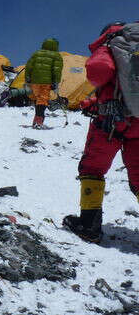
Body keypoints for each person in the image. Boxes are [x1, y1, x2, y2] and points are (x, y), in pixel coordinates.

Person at [63, 22, 139, 243]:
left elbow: (99, 72)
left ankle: (89, 226)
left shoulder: (110, 44)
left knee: (92, 168)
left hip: (111, 121)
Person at [24, 38, 63, 128]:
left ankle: (36, 121)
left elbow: (29, 66)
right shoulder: (56, 56)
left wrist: (28, 78)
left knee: (37, 100)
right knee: (42, 100)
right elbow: (56, 71)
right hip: (46, 82)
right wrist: (55, 82)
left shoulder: (36, 53)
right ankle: (39, 122)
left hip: (34, 81)